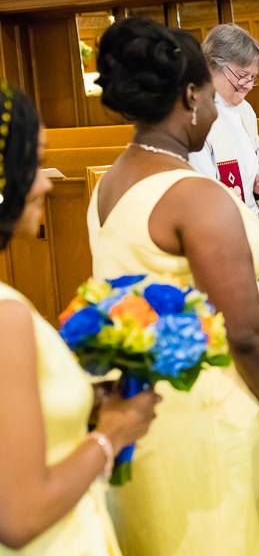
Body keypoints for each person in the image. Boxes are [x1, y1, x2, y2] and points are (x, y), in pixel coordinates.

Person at [89, 18, 259, 556]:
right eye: (209, 91)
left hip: (142, 411)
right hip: (209, 410)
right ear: (190, 93)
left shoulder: (111, 181)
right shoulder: (194, 196)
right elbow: (244, 332)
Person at [0, 81, 159, 555]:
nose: (47, 181)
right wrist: (113, 433)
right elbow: (19, 515)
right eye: (34, 162)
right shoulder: (7, 317)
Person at [188, 24, 259, 226]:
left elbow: (255, 169)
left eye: (253, 77)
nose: (249, 85)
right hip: (220, 229)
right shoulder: (196, 114)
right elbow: (202, 189)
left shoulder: (246, 111)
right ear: (212, 67)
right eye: (241, 75)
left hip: (252, 224)